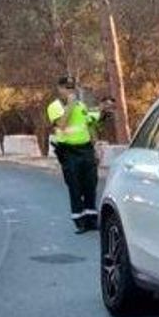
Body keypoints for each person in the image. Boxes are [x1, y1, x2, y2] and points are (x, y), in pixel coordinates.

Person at [46, 76, 113, 233]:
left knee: (90, 184)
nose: (70, 91)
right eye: (67, 88)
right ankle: (79, 220)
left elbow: (89, 121)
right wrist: (69, 105)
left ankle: (91, 218)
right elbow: (61, 125)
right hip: (68, 151)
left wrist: (103, 113)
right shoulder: (55, 106)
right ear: (60, 89)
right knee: (74, 186)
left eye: (72, 88)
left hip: (85, 149)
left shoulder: (80, 105)